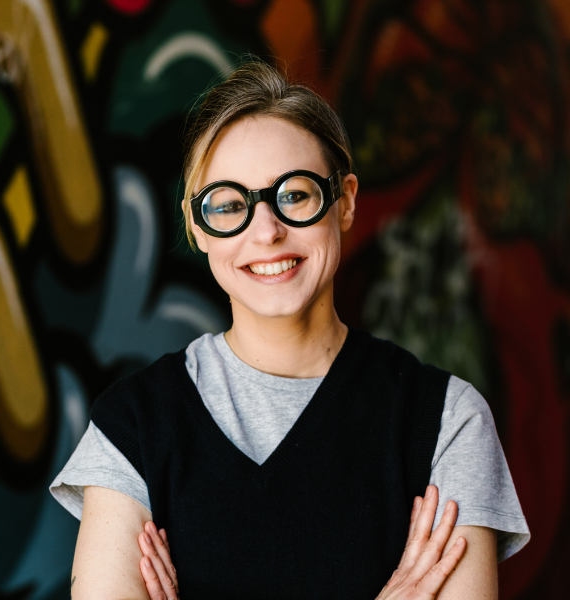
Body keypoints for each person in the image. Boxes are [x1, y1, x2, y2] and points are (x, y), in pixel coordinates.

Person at [50, 60, 529, 600]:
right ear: (196, 226)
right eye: (229, 205)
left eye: (295, 195)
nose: (267, 232)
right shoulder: (132, 427)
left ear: (344, 201)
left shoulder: (447, 422)